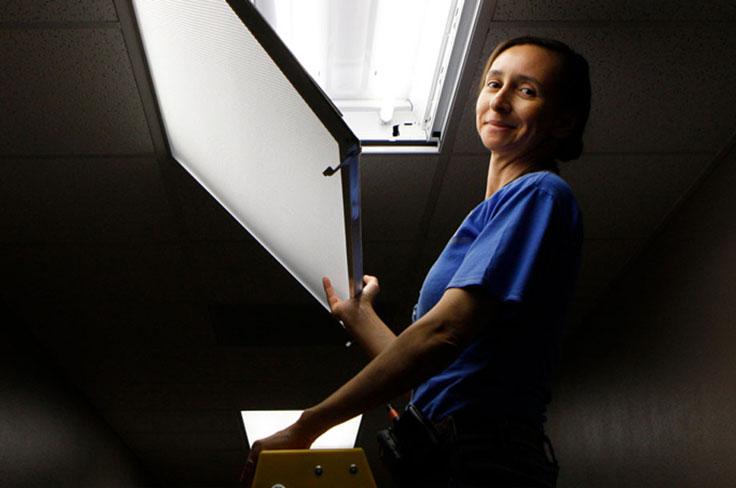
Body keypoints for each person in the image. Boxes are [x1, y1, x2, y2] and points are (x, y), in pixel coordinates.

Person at [241, 36, 591, 487]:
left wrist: (305, 427)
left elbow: (443, 333)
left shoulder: (540, 193)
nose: (500, 100)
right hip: (448, 453)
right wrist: (360, 316)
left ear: (563, 121)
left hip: (487, 459)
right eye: (493, 84)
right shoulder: (487, 217)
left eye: (526, 91)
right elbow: (437, 379)